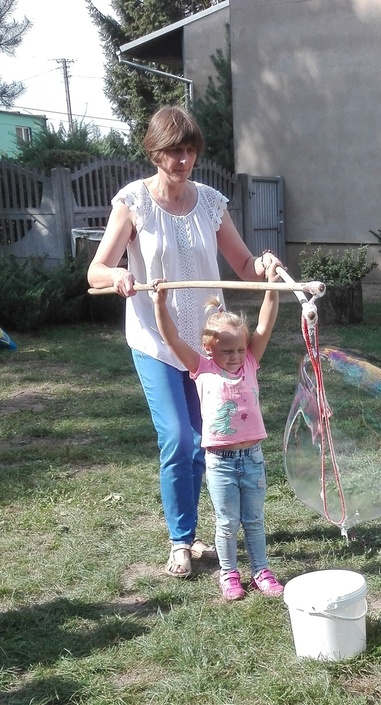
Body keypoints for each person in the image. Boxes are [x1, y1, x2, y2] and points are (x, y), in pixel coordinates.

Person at [87, 105, 282, 579]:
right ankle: (180, 540)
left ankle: (194, 532)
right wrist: (118, 276)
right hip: (157, 342)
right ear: (155, 152)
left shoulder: (211, 202)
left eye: (190, 150)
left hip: (210, 348)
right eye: (174, 151)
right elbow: (96, 270)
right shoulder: (133, 202)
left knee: (204, 441)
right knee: (177, 437)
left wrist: (266, 265)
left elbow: (244, 266)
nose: (184, 159)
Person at [150, 266, 284, 601]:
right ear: (209, 349)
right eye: (227, 351)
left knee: (254, 520)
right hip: (220, 462)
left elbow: (265, 323)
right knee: (227, 523)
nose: (235, 356)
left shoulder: (250, 361)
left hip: (252, 458)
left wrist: (271, 287)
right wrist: (160, 303)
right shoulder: (202, 368)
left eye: (239, 349)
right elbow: (172, 339)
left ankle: (261, 572)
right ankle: (229, 574)